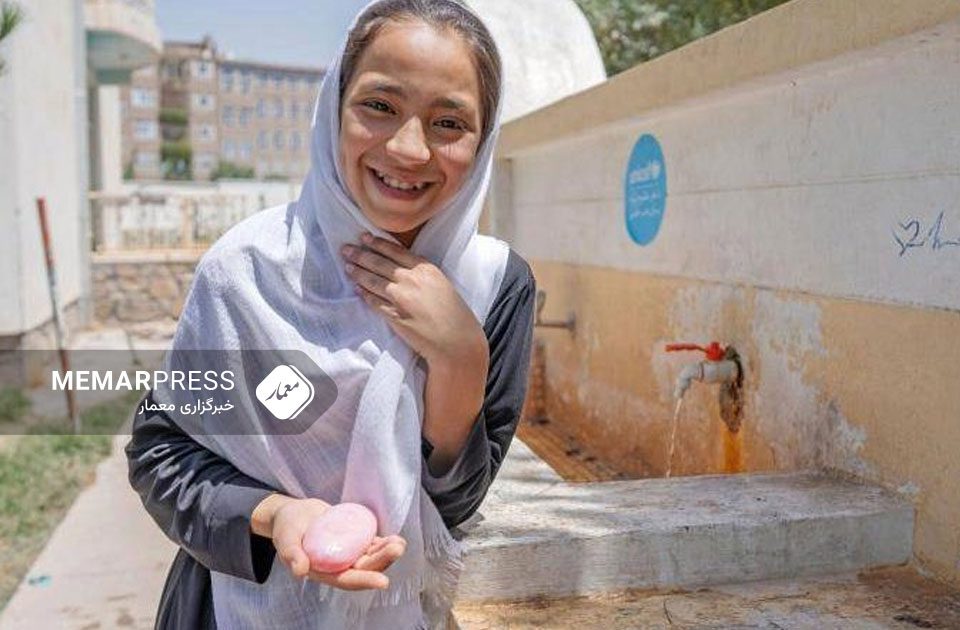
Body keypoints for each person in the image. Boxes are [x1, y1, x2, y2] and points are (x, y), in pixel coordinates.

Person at [125, 1, 536, 628]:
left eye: (449, 122)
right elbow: (162, 454)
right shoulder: (245, 271)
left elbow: (452, 508)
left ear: (483, 141)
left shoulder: (493, 285)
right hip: (232, 610)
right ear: (334, 106)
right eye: (379, 105)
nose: (408, 149)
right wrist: (275, 514)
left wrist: (460, 359)